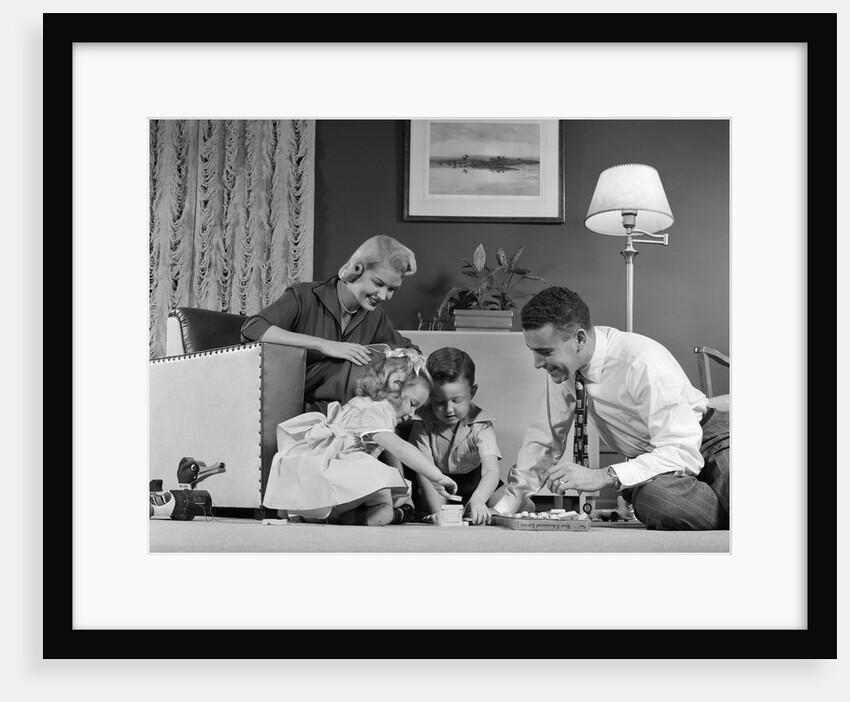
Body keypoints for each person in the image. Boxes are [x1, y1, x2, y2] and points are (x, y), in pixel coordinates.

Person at [492, 286, 729, 531]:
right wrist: (507, 505)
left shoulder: (642, 362)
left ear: (579, 339)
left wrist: (603, 476)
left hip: (708, 440)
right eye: (533, 352)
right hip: (657, 467)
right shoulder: (565, 372)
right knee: (656, 501)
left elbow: (681, 449)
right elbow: (544, 439)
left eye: (545, 353)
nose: (537, 364)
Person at [262, 348, 459, 526]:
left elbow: (393, 457)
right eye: (413, 404)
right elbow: (401, 448)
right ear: (395, 385)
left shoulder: (365, 403)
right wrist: (437, 477)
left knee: (397, 488)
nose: (411, 414)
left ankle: (345, 515)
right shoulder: (376, 410)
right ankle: (379, 513)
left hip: (317, 477)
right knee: (379, 481)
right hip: (332, 471)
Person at [240, 235, 419, 413]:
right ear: (358, 269)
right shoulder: (305, 295)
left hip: (340, 408)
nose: (382, 296)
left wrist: (403, 362)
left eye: (391, 289)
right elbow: (253, 328)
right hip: (290, 393)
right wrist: (324, 345)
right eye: (378, 283)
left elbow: (411, 350)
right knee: (354, 365)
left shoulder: (375, 316)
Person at [408, 347, 505, 525]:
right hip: (437, 483)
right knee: (422, 507)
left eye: (456, 400)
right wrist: (437, 511)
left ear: (472, 392)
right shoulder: (422, 422)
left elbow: (490, 470)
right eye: (439, 402)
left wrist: (478, 501)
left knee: (520, 504)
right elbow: (425, 472)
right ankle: (450, 510)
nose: (448, 409)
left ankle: (476, 509)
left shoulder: (481, 424)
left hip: (475, 481)